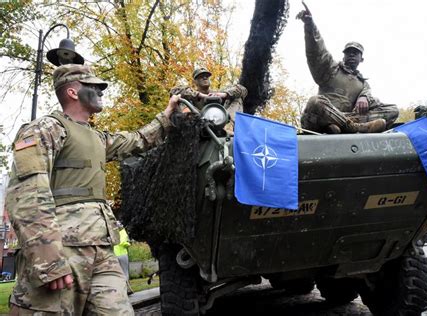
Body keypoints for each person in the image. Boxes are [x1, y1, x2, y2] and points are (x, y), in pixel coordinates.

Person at [6, 64, 180, 315]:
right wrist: (48, 260)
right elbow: (26, 194)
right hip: (62, 251)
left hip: (102, 251)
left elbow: (138, 139)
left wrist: (167, 114)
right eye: (93, 86)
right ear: (73, 92)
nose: (101, 91)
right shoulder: (45, 129)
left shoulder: (98, 138)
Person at [296, 3, 399, 134]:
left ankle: (337, 126)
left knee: (393, 109)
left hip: (346, 119)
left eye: (355, 53)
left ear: (361, 59)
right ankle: (353, 127)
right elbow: (317, 52)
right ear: (343, 56)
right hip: (316, 121)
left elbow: (374, 102)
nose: (351, 54)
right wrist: (310, 25)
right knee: (314, 101)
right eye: (348, 52)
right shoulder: (331, 69)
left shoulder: (363, 84)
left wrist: (364, 98)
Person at [170, 67, 247, 134]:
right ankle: (190, 129)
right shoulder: (191, 94)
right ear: (195, 82)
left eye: (207, 76)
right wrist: (200, 95)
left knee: (237, 98)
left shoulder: (218, 93)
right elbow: (174, 91)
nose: (205, 78)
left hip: (221, 121)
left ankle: (228, 128)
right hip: (198, 121)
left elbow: (243, 89)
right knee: (180, 99)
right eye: (201, 76)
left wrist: (225, 94)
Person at [114, 221, 132, 294]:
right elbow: (123, 243)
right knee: (125, 272)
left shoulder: (113, 233)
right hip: (123, 254)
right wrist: (129, 243)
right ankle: (126, 289)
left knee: (117, 273)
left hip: (115, 254)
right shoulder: (123, 232)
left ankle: (119, 289)